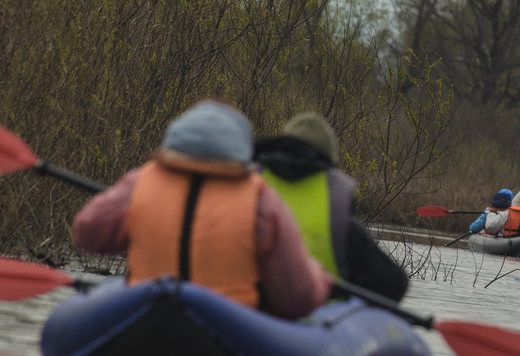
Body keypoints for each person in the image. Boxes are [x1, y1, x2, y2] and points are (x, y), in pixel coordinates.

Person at [71, 100, 329, 316]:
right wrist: (320, 278)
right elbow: (298, 298)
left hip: (145, 319)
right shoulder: (260, 196)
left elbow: (86, 234)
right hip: (228, 333)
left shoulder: (140, 181)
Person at [253, 111, 409, 304]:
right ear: (329, 158)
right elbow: (395, 283)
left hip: (245, 313)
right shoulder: (340, 219)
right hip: (317, 321)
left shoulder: (248, 185)